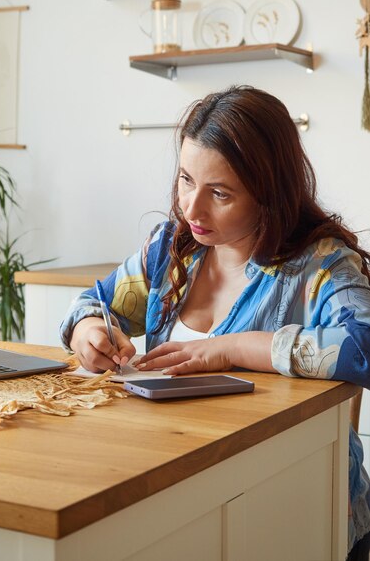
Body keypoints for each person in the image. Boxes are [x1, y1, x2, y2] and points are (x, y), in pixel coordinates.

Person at [60, 85, 370, 559]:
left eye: (219, 193)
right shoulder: (170, 249)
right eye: (186, 179)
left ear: (270, 192)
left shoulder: (321, 265)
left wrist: (233, 348)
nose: (191, 208)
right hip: (178, 481)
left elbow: (365, 347)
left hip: (298, 501)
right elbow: (94, 303)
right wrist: (89, 333)